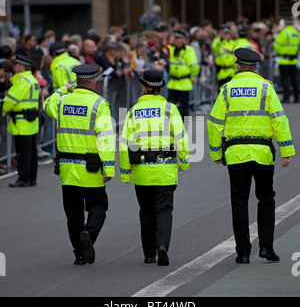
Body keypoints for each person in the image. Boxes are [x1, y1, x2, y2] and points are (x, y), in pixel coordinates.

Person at [207, 48, 295, 264]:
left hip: (236, 154)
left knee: (239, 202)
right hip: (262, 153)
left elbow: (214, 123)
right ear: (256, 67)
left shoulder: (227, 89)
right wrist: (287, 150)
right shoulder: (266, 87)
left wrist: (216, 153)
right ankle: (266, 247)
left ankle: (243, 253)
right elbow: (279, 120)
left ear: (238, 66)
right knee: (266, 199)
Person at [43, 64, 115, 265]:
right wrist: (109, 168)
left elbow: (47, 104)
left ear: (76, 82)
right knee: (99, 206)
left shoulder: (63, 101)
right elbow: (106, 139)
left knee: (73, 213)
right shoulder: (99, 104)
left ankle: (79, 255)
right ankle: (89, 233)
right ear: (94, 82)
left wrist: (61, 90)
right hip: (90, 169)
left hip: (67, 168)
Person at [120, 70, 190, 265]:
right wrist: (184, 162)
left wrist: (126, 173)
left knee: (146, 212)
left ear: (144, 87)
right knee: (164, 210)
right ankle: (163, 246)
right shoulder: (170, 109)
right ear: (160, 89)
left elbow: (125, 144)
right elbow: (181, 139)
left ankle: (149, 254)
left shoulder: (134, 111)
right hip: (165, 168)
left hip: (142, 170)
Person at [2, 55, 40, 187]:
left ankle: (23, 178)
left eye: (15, 65)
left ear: (20, 66)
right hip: (31, 121)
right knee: (31, 152)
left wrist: (4, 110)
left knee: (23, 152)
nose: (13, 67)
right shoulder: (32, 79)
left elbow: (10, 100)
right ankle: (31, 178)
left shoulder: (22, 81)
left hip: (21, 122)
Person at [167, 31, 200, 119]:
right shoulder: (171, 49)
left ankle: (185, 126)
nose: (176, 40)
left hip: (184, 83)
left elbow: (195, 66)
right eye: (175, 38)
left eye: (178, 38)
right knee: (170, 106)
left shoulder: (189, 50)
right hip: (173, 83)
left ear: (183, 40)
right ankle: (170, 126)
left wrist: (192, 78)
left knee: (184, 107)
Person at [273, 16, 300, 103]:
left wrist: (279, 52)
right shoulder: (296, 33)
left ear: (285, 23)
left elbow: (276, 45)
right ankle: (296, 98)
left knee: (285, 80)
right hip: (293, 60)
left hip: (284, 60)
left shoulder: (284, 33)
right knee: (294, 79)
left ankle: (286, 98)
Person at [212, 25, 236, 90]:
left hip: (232, 73)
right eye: (224, 33)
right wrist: (220, 37)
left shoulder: (232, 43)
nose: (226, 35)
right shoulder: (218, 42)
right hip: (222, 73)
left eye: (227, 33)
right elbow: (215, 46)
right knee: (222, 93)